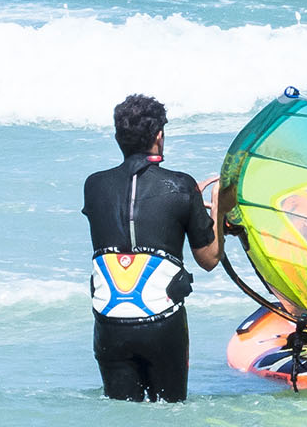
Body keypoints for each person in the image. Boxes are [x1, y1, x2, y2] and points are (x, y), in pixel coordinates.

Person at [83, 94, 222, 402]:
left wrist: (186, 200)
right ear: (159, 136)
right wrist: (216, 211)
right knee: (169, 413)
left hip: (110, 324)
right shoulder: (182, 186)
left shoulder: (93, 186)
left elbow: (139, 213)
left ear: (119, 137)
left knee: (123, 415)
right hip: (161, 324)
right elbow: (209, 258)